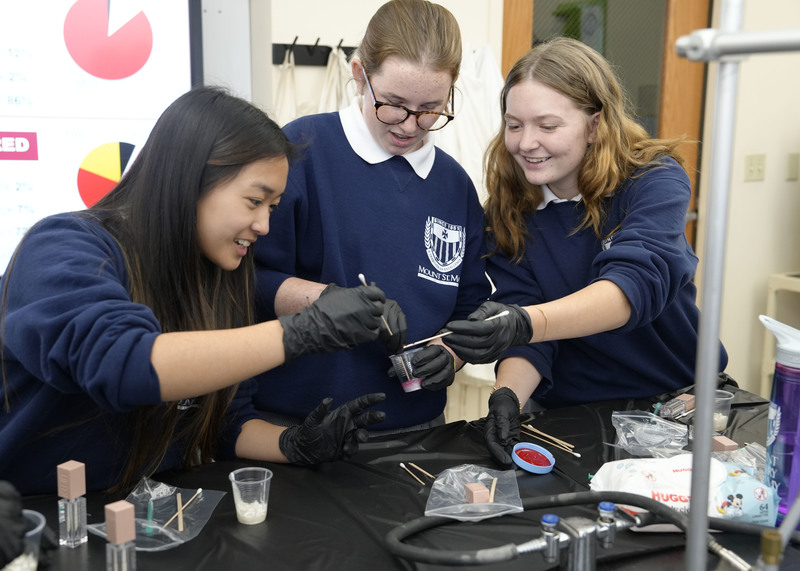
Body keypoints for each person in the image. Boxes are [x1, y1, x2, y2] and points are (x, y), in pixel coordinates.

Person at [0, 86, 390, 495]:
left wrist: (292, 444)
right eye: (254, 201)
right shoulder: (62, 246)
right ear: (190, 180)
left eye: (271, 207)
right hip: (38, 522)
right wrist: (300, 331)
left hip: (146, 518)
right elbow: (123, 365)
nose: (264, 226)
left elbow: (226, 421)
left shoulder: (220, 274)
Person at [440, 37, 728, 465]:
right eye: (514, 124)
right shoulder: (509, 209)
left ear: (595, 125)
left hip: (674, 402)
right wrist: (506, 397)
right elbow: (528, 319)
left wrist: (521, 323)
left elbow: (629, 290)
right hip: (568, 414)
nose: (526, 143)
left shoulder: (653, 181)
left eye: (548, 126)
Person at [252, 0, 490, 432]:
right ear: (360, 74)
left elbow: (470, 305)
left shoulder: (455, 186)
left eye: (431, 108)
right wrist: (326, 301)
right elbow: (246, 278)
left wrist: (452, 353)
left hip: (418, 427)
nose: (410, 125)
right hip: (298, 425)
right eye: (394, 103)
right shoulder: (303, 150)